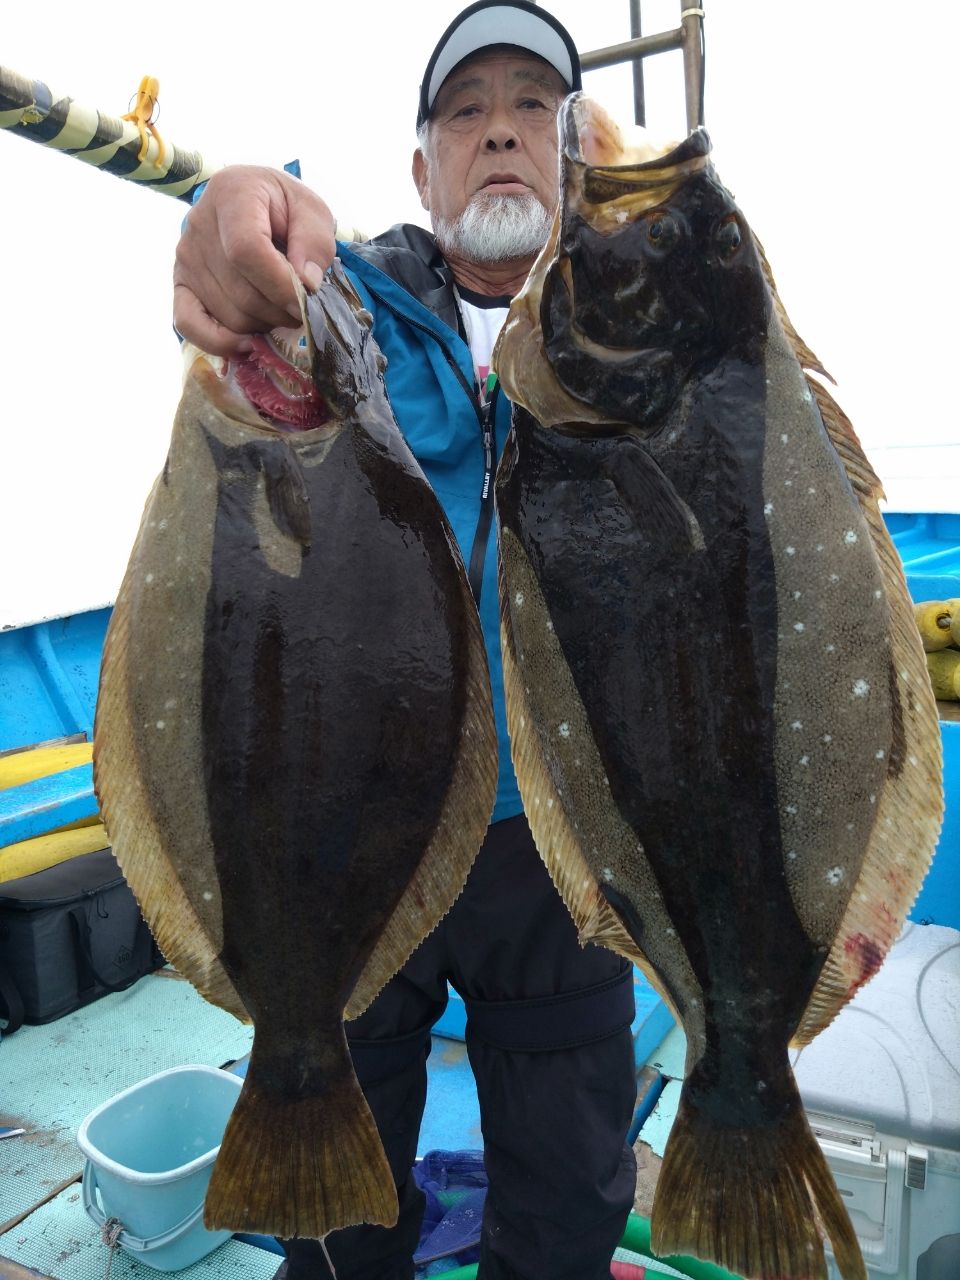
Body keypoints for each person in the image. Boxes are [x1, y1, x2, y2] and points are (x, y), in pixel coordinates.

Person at [174, 4, 639, 1277]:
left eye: (534, 106)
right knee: (339, 1175)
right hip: (353, 820)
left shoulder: (632, 332)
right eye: (464, 109)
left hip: (559, 832)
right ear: (421, 168)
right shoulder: (354, 307)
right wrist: (233, 202)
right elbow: (264, 245)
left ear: (574, 154)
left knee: (569, 1178)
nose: (499, 128)